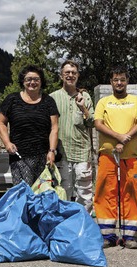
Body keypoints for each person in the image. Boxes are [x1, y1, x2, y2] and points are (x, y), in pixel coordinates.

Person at [93, 66, 137, 249]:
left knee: (131, 193)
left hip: (130, 157)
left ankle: (129, 236)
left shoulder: (136, 100)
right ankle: (108, 236)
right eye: (116, 80)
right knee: (105, 193)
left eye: (122, 79)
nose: (119, 83)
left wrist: (126, 138)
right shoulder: (104, 102)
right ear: (111, 82)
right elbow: (98, 124)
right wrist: (118, 137)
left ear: (127, 81)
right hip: (108, 156)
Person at [0, 64, 59, 185]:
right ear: (23, 81)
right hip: (19, 156)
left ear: (41, 82)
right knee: (23, 194)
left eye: (36, 79)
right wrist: (7, 143)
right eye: (28, 79)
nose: (32, 82)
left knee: (42, 194)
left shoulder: (48, 101)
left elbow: (54, 128)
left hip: (43, 157)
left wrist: (52, 151)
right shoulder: (12, 100)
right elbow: (1, 123)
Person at [49, 60, 94, 213]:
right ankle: (64, 226)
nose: (70, 75)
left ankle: (83, 225)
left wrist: (83, 108)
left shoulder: (86, 97)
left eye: (73, 73)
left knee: (85, 194)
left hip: (82, 153)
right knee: (63, 191)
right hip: (62, 154)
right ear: (61, 75)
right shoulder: (52, 98)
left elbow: (92, 123)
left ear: (78, 76)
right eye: (67, 72)